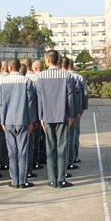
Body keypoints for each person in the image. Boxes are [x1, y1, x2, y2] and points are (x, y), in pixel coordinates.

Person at [35, 50, 75, 188]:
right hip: (62, 114)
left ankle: (52, 179)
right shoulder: (66, 75)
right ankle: (61, 179)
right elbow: (70, 98)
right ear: (58, 60)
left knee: (50, 147)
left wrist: (40, 116)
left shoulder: (40, 77)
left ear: (46, 61)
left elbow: (39, 98)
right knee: (62, 147)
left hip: (47, 115)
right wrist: (71, 116)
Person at [0, 58, 37, 188]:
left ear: (9, 68)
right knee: (23, 151)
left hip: (8, 120)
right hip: (23, 120)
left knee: (12, 151)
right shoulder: (26, 81)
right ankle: (23, 179)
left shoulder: (2, 82)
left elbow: (1, 103)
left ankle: (14, 180)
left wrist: (2, 120)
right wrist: (32, 121)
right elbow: (31, 103)